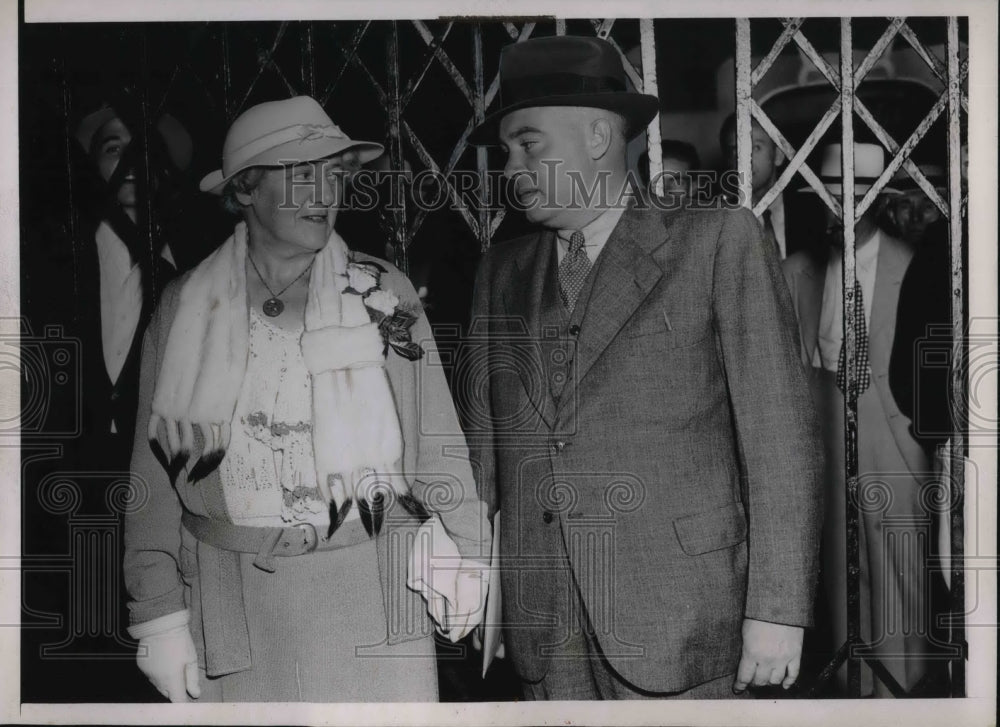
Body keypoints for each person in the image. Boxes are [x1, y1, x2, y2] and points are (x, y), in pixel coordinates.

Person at [464, 35, 823, 700]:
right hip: (545, 626)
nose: (510, 166)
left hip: (682, 622)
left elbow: (780, 439)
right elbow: (486, 455)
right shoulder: (500, 271)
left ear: (599, 136)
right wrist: (489, 593)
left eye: (528, 144)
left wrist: (777, 611)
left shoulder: (717, 241)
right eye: (506, 149)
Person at [123, 96, 491, 702]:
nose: (324, 194)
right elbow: (152, 480)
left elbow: (437, 444)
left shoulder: (382, 292)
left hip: (373, 600)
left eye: (334, 175)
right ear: (245, 188)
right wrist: (157, 612)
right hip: (233, 610)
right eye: (300, 175)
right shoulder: (183, 308)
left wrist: (471, 554)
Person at [782, 142, 938, 696]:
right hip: (824, 418)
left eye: (850, 199)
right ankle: (855, 684)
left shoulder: (914, 264)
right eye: (827, 199)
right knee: (842, 561)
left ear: (878, 203)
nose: (836, 212)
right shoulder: (797, 270)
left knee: (899, 559)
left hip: (892, 425)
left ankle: (905, 684)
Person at [719, 112, 809, 259]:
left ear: (778, 155)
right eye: (736, 150)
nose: (744, 158)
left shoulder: (811, 211)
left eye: (756, 148)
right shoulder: (719, 222)